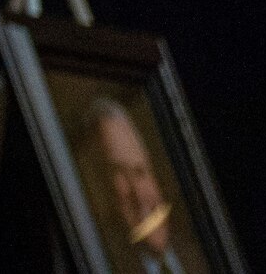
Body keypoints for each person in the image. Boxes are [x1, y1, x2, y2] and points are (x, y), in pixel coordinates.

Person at [81, 97, 206, 274]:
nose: (139, 196)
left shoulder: (200, 258)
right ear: (101, 193)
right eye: (119, 175)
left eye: (140, 171)